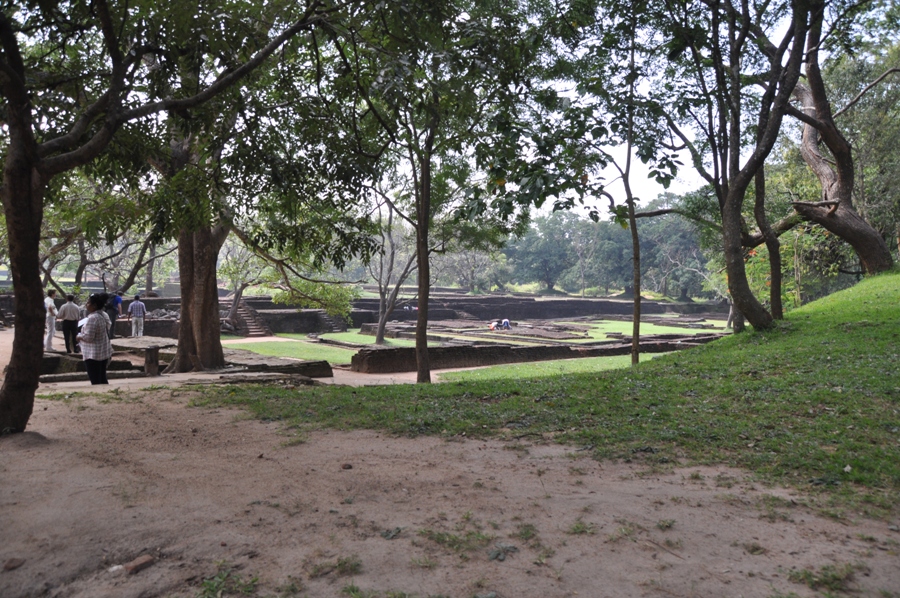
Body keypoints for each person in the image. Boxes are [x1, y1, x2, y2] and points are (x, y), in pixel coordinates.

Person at [77, 293, 112, 384]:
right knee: (102, 377)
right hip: (102, 352)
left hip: (93, 354)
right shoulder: (102, 315)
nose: (86, 305)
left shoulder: (92, 318)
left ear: (94, 305)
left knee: (95, 379)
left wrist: (79, 336)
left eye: (88, 303)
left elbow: (89, 337)